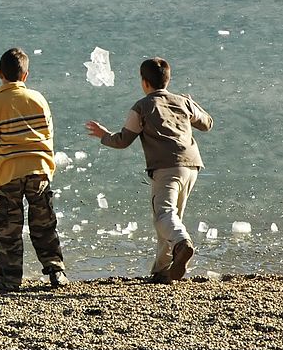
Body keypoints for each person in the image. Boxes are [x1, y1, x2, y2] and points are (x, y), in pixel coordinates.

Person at [85, 57, 213, 284]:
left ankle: (183, 243)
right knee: (172, 217)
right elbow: (207, 123)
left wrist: (104, 135)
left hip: (166, 167)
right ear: (168, 79)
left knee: (164, 216)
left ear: (144, 83)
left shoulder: (143, 106)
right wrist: (194, 104)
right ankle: (162, 270)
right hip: (192, 165)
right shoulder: (182, 101)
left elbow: (124, 140)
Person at [0, 48, 68, 291]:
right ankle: (55, 270)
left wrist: (0, 142)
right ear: (25, 75)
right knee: (44, 222)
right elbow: (48, 133)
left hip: (9, 171)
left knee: (9, 227)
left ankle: (10, 278)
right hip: (39, 168)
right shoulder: (38, 99)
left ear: (0, 74)